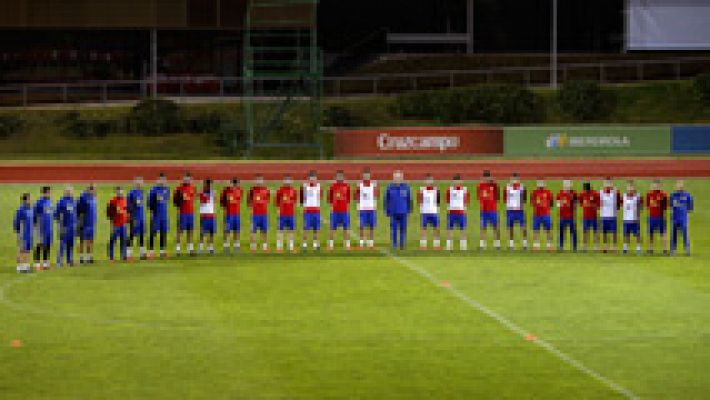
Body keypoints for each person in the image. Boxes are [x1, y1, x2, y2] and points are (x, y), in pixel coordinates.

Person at [384, 170, 411, 250]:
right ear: (393, 178)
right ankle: (395, 244)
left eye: (399, 177)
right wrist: (387, 210)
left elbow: (409, 200)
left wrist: (408, 210)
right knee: (394, 229)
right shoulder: (389, 188)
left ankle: (402, 244)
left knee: (403, 229)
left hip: (403, 212)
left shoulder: (406, 187)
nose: (397, 179)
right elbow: (386, 200)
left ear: (402, 178)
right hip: (393, 213)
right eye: (396, 177)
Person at [148, 173, 170, 258]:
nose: (163, 181)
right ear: (158, 180)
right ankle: (151, 251)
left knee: (163, 233)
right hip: (156, 214)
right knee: (153, 233)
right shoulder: (153, 190)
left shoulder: (166, 189)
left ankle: (162, 251)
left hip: (164, 215)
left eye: (164, 180)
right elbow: (149, 203)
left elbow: (166, 200)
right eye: (161, 180)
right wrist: (152, 212)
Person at [173, 172, 196, 256]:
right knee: (180, 230)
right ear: (183, 179)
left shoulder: (193, 188)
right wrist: (179, 200)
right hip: (182, 213)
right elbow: (175, 202)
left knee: (190, 231)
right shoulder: (179, 189)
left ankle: (190, 249)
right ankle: (177, 249)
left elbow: (192, 198)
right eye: (186, 178)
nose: (187, 180)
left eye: (189, 179)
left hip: (190, 213)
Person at [328, 170, 352, 251]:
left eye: (341, 176)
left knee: (346, 228)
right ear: (336, 177)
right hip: (335, 211)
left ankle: (347, 245)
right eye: (338, 176)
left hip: (344, 211)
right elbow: (330, 198)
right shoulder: (332, 186)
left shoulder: (347, 186)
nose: (339, 177)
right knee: (332, 228)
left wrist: (347, 208)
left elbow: (348, 199)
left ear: (343, 177)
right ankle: (331, 245)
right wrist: (332, 207)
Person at [477, 170, 500, 250]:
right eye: (485, 177)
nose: (487, 178)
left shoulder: (493, 185)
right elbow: (479, 197)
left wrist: (492, 181)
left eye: (488, 176)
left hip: (493, 210)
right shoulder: (480, 186)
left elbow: (497, 194)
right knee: (483, 228)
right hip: (484, 210)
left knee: (495, 227)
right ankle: (482, 245)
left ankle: (497, 245)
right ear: (483, 177)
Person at [355, 168, 378, 250]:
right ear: (363, 176)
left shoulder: (373, 185)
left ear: (370, 176)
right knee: (362, 226)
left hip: (371, 209)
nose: (366, 177)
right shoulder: (359, 185)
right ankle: (361, 243)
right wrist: (358, 207)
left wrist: (375, 206)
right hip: (362, 209)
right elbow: (357, 197)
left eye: (367, 175)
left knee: (371, 227)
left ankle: (371, 243)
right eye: (365, 175)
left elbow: (375, 196)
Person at [54, 186, 77, 267]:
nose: (70, 192)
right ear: (64, 192)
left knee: (70, 244)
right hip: (64, 227)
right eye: (68, 191)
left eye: (71, 191)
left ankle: (69, 260)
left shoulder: (73, 201)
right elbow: (56, 214)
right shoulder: (61, 202)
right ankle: (59, 261)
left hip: (72, 226)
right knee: (62, 244)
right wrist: (60, 226)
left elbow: (74, 213)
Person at [446, 174, 469, 251]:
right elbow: (447, 201)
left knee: (463, 229)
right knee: (450, 229)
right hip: (452, 212)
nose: (456, 182)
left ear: (460, 181)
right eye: (455, 181)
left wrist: (465, 210)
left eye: (458, 181)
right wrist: (448, 210)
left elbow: (466, 201)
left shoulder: (464, 190)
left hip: (461, 212)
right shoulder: (449, 190)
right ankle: (449, 246)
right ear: (453, 181)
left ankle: (463, 246)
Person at [504, 172, 527, 250]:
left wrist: (522, 207)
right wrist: (507, 208)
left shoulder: (522, 187)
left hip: (519, 211)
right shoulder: (507, 187)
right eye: (513, 179)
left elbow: (524, 199)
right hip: (510, 210)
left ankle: (524, 244)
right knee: (510, 228)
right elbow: (505, 199)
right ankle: (511, 245)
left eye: (516, 179)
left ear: (519, 179)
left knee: (523, 227)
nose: (515, 180)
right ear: (510, 179)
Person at [670, 180, 693, 256]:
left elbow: (690, 208)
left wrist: (686, 216)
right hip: (675, 218)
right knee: (674, 233)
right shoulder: (673, 195)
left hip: (683, 218)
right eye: (678, 184)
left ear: (683, 186)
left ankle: (687, 249)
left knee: (685, 233)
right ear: (676, 186)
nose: (679, 186)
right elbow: (671, 207)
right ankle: (673, 249)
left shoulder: (688, 195)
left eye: (681, 184)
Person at [248, 174, 271, 252]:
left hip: (264, 214)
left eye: (260, 180)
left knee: (264, 231)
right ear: (255, 181)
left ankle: (264, 247)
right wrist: (252, 209)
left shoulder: (266, 190)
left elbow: (268, 200)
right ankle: (253, 247)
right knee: (253, 231)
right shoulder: (252, 190)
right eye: (258, 180)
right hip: (255, 214)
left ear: (263, 181)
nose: (259, 182)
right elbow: (249, 202)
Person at [646, 179, 669, 255]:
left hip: (660, 217)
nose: (655, 186)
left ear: (660, 186)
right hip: (652, 217)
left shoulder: (663, 195)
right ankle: (650, 249)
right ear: (652, 186)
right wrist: (648, 217)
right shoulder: (649, 195)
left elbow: (665, 207)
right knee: (650, 233)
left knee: (663, 233)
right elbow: (648, 207)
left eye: (657, 185)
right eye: (654, 185)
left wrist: (664, 218)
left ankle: (665, 249)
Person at [418, 173, 441, 250]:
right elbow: (420, 201)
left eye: (430, 180)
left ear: (433, 181)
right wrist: (421, 211)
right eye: (427, 180)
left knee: (436, 228)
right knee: (423, 228)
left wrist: (437, 211)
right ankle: (423, 245)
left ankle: (436, 245)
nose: (429, 182)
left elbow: (438, 202)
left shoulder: (436, 190)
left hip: (434, 212)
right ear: (425, 181)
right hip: (424, 212)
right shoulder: (421, 190)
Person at [276, 174, 298, 253]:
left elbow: (294, 202)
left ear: (291, 181)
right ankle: (279, 247)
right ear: (283, 181)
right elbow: (277, 202)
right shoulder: (280, 190)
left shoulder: (294, 191)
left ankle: (291, 247)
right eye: (286, 180)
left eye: (289, 180)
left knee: (291, 230)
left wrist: (294, 212)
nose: (287, 182)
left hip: (291, 214)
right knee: (280, 230)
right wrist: (278, 211)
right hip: (282, 214)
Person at [33, 186, 53, 270]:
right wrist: (36, 225)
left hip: (49, 228)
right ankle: (37, 263)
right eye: (48, 192)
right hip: (41, 228)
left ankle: (45, 263)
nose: (49, 194)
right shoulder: (39, 203)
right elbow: (34, 214)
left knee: (47, 245)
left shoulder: (50, 202)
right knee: (40, 244)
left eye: (50, 192)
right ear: (44, 193)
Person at [220, 178, 242, 254]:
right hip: (228, 214)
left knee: (236, 230)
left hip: (237, 214)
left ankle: (236, 246)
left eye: (236, 183)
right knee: (227, 230)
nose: (234, 185)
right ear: (230, 183)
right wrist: (225, 213)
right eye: (233, 183)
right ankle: (226, 246)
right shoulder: (226, 191)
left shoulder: (240, 190)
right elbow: (222, 203)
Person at [301, 170, 322, 251]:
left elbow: (319, 197)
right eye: (311, 178)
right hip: (308, 211)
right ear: (308, 178)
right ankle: (304, 245)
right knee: (306, 228)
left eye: (314, 178)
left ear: (316, 179)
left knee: (316, 229)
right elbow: (303, 198)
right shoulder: (305, 186)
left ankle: (315, 245)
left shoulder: (318, 186)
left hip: (316, 210)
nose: (313, 179)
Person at [77, 183, 98, 264]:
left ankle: (89, 257)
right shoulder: (82, 197)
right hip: (84, 223)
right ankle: (81, 258)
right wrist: (80, 221)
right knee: (82, 241)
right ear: (89, 189)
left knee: (90, 240)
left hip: (92, 223)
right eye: (93, 189)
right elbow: (78, 210)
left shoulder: (94, 197)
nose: (94, 191)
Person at [107, 186, 129, 262]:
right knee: (113, 241)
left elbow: (126, 211)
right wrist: (112, 225)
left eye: (121, 192)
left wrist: (127, 221)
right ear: (116, 192)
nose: (120, 193)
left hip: (124, 224)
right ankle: (111, 257)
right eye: (118, 192)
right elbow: (109, 214)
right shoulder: (112, 201)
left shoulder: (125, 200)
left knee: (124, 241)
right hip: (116, 225)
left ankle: (123, 256)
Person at [531, 179, 554, 251]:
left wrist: (546, 207)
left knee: (548, 230)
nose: (541, 184)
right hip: (537, 215)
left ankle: (549, 246)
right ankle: (536, 246)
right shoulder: (534, 192)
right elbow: (532, 202)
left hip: (546, 214)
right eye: (539, 182)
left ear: (545, 184)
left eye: (542, 182)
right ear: (537, 184)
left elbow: (551, 203)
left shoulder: (548, 192)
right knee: (536, 230)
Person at [600, 178, 621, 253]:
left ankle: (614, 247)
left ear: (612, 183)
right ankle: (605, 246)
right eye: (606, 183)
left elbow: (618, 203)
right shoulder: (601, 192)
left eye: (609, 183)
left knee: (614, 232)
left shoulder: (615, 192)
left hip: (612, 216)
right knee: (604, 232)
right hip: (604, 216)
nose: (608, 184)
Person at [127, 177, 146, 260]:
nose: (139, 184)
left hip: (141, 217)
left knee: (141, 235)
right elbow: (128, 206)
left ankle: (142, 253)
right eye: (138, 182)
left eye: (140, 182)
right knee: (132, 235)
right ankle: (128, 253)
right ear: (134, 183)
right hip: (134, 217)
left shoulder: (141, 192)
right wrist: (132, 217)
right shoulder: (131, 193)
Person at [13, 193, 33, 274]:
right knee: (21, 250)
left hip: (29, 233)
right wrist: (18, 232)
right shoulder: (21, 210)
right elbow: (16, 221)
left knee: (27, 250)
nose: (31, 200)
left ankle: (26, 266)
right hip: (22, 233)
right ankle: (19, 266)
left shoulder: (30, 209)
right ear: (26, 200)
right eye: (30, 198)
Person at [622, 181, 643, 255]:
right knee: (626, 234)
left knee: (637, 234)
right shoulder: (624, 196)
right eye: (629, 187)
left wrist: (638, 217)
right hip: (626, 219)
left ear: (634, 188)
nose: (630, 188)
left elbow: (640, 207)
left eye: (632, 187)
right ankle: (625, 247)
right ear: (626, 188)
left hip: (635, 220)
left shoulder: (637, 196)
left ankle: (638, 248)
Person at [579, 181, 600, 252]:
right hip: (585, 216)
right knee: (585, 231)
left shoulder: (595, 193)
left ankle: (596, 246)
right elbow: (581, 203)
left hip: (593, 216)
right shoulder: (582, 194)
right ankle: (584, 247)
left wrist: (592, 205)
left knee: (595, 231)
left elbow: (598, 204)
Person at [556, 180, 578, 252]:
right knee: (561, 231)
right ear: (563, 184)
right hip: (562, 216)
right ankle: (561, 246)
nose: (567, 185)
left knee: (573, 231)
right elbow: (558, 204)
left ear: (570, 184)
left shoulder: (574, 193)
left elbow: (575, 204)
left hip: (570, 216)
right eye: (565, 183)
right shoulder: (560, 193)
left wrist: (574, 214)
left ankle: (574, 247)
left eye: (568, 183)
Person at [198, 179, 217, 255]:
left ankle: (211, 248)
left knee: (212, 232)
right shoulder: (202, 193)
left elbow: (214, 199)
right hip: (204, 215)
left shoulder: (212, 193)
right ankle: (201, 248)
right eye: (207, 184)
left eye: (210, 185)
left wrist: (211, 192)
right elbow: (203, 200)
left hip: (211, 215)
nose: (209, 186)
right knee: (202, 233)